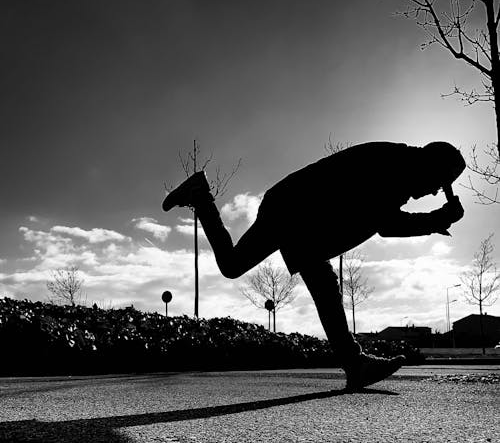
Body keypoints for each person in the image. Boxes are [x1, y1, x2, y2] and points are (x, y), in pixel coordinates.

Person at [162, 141, 466, 391]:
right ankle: (200, 195)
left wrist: (436, 219)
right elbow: (386, 223)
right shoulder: (394, 167)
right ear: (431, 166)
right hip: (293, 210)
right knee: (237, 266)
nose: (437, 191)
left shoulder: (400, 165)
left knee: (321, 286)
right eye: (440, 182)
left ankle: (355, 365)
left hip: (304, 216)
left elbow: (381, 219)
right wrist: (436, 219)